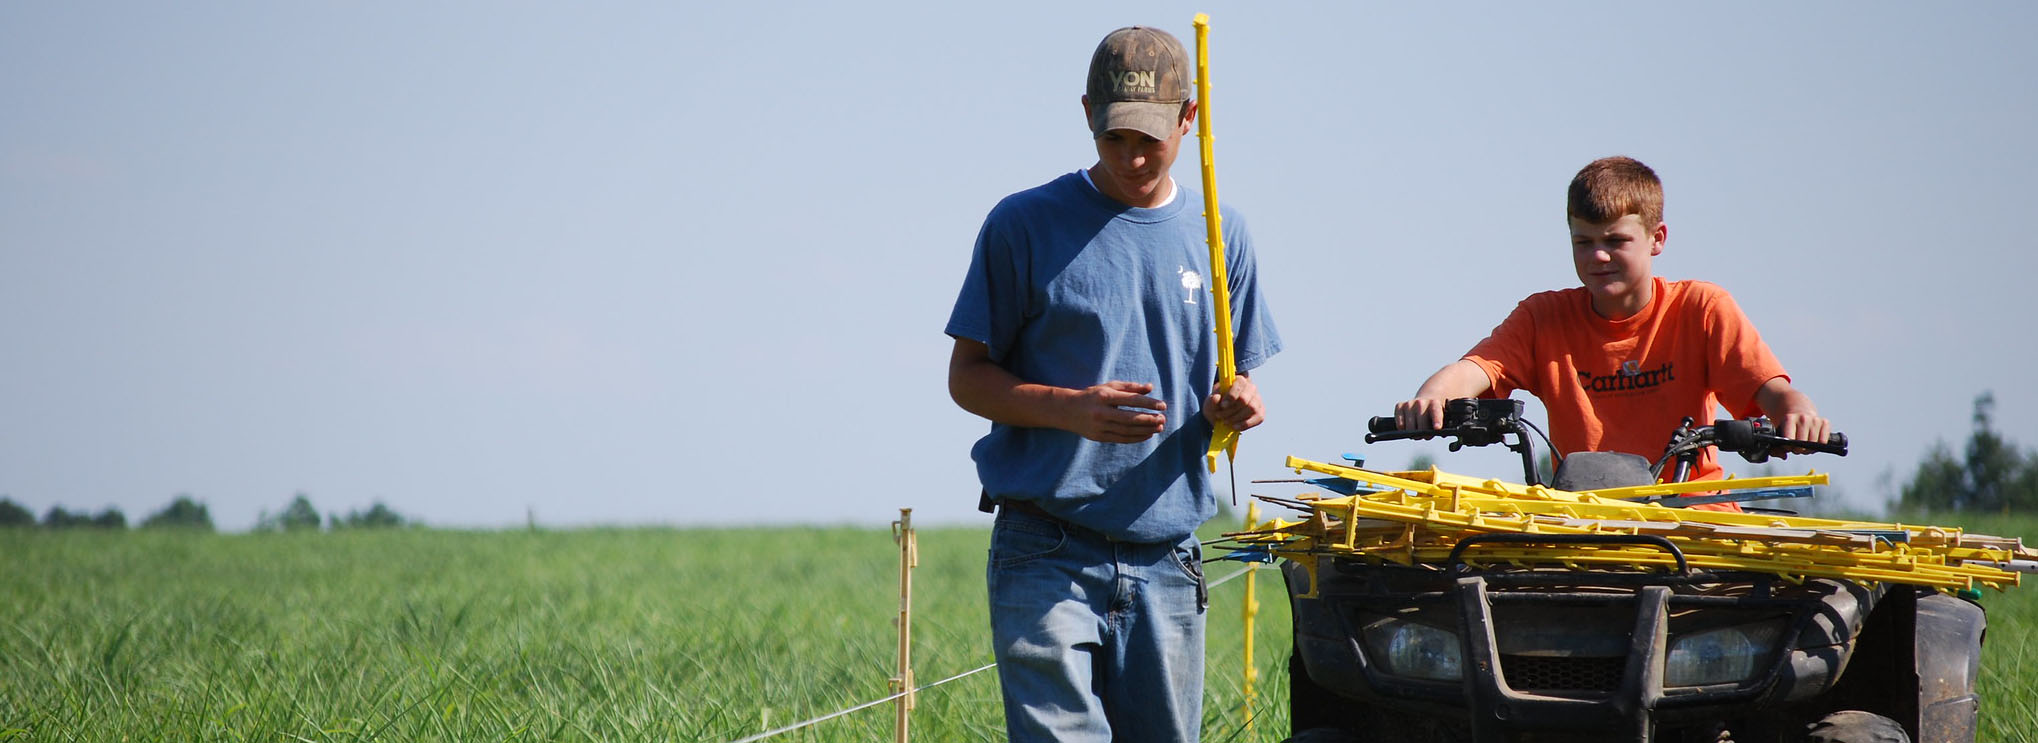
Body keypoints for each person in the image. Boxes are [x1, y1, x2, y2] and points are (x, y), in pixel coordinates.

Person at [944, 24, 1281, 743]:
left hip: (1168, 554)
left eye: (1150, 140)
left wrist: (1239, 403)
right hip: (1046, 548)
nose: (1132, 157)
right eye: (1113, 138)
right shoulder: (1022, 224)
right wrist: (1072, 410)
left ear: (1189, 119)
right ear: (1087, 115)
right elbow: (967, 378)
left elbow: (1236, 381)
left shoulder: (1223, 233)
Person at [1394, 156, 1830, 499]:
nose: (1598, 256)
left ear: (1657, 238)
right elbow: (1473, 370)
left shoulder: (1701, 308)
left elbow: (1772, 390)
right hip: (1579, 521)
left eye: (1616, 241)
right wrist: (1431, 397)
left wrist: (1799, 414)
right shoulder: (1543, 317)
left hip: (1693, 519)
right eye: (1584, 242)